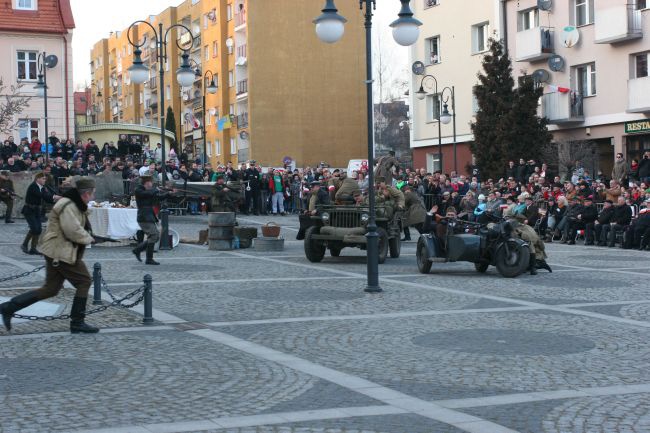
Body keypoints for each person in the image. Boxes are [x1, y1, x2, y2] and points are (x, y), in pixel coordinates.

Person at [1, 177, 100, 333]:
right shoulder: (68, 205)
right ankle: (77, 322)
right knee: (84, 281)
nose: (93, 196)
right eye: (92, 193)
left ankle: (9, 307)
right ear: (86, 194)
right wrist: (90, 239)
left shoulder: (73, 203)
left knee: (51, 289)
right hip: (61, 251)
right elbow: (72, 229)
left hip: (57, 250)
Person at [132, 176, 170, 265]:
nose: (152, 184)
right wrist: (156, 190)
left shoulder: (150, 191)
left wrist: (169, 193)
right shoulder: (139, 190)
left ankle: (140, 252)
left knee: (154, 236)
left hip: (149, 216)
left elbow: (159, 197)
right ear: (147, 183)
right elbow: (148, 194)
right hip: (144, 217)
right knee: (154, 235)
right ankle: (145, 256)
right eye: (151, 182)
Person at [21, 173, 61, 254]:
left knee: (38, 229)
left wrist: (56, 199)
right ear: (37, 179)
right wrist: (54, 197)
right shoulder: (33, 186)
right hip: (29, 210)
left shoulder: (42, 188)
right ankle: (24, 244)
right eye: (43, 178)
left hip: (36, 210)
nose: (44, 180)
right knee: (34, 228)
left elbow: (47, 198)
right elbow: (41, 195)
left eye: (45, 179)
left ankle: (33, 248)